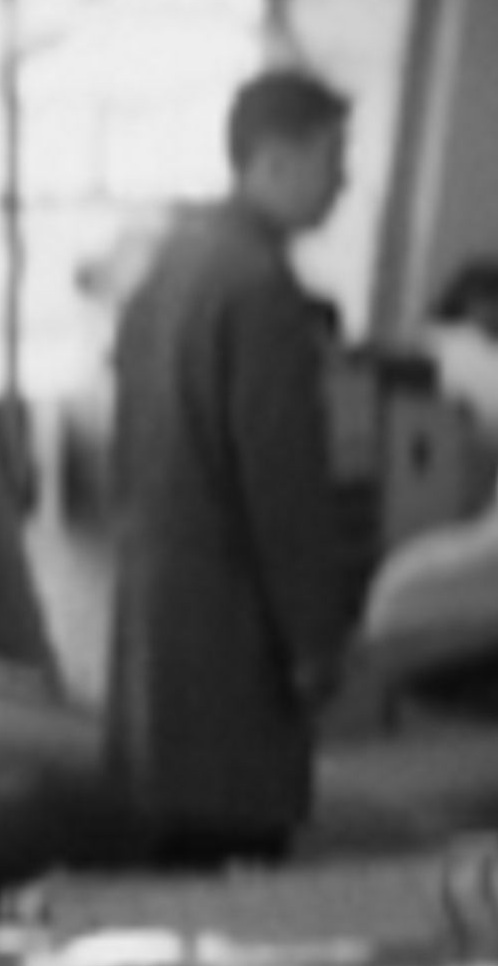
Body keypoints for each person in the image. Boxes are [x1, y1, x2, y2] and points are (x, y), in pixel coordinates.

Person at [101, 67, 361, 866]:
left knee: (172, 873)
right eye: (331, 157)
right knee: (236, 878)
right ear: (274, 160)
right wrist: (315, 643)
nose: (344, 181)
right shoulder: (260, 290)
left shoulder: (171, 266)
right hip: (233, 648)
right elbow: (284, 489)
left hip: (157, 633)